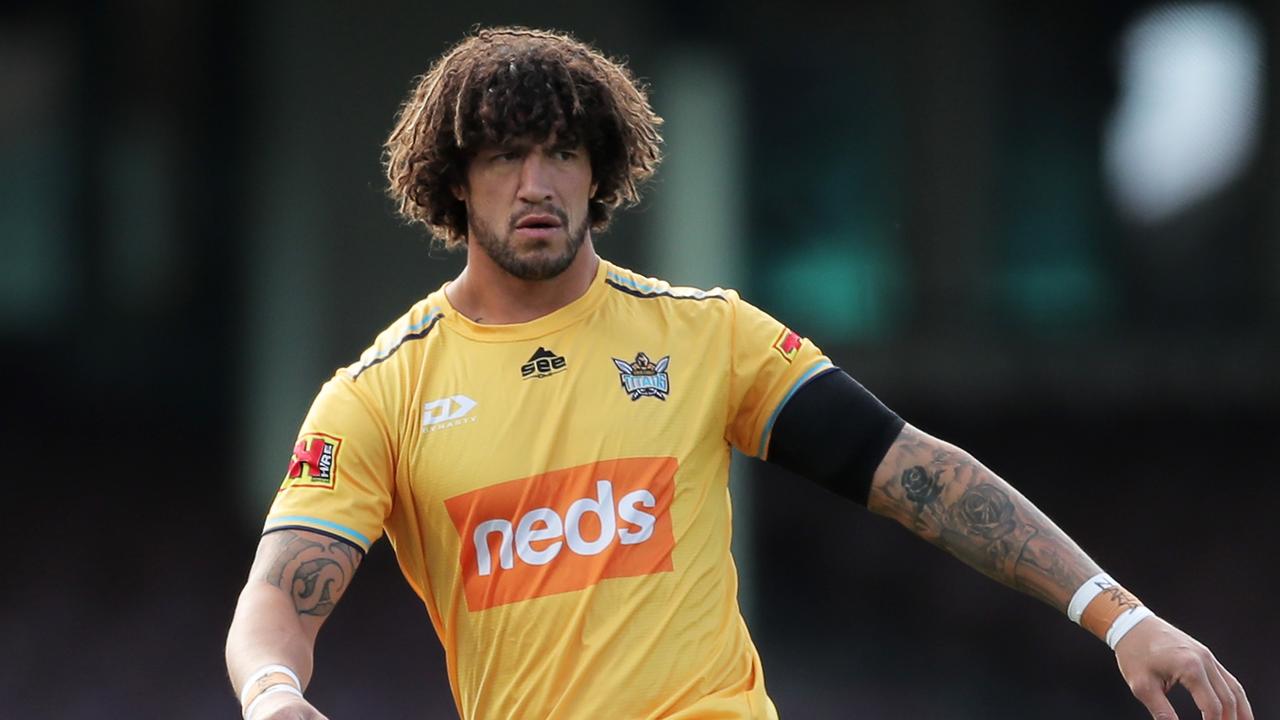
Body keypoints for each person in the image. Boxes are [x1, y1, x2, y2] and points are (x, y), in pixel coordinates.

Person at [225, 26, 1251, 720]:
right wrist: (273, 697)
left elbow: (914, 473)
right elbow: (277, 604)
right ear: (455, 181)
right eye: (502, 158)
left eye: (560, 154)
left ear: (600, 169)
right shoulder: (379, 393)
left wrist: (1119, 615)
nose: (535, 185)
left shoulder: (705, 337)